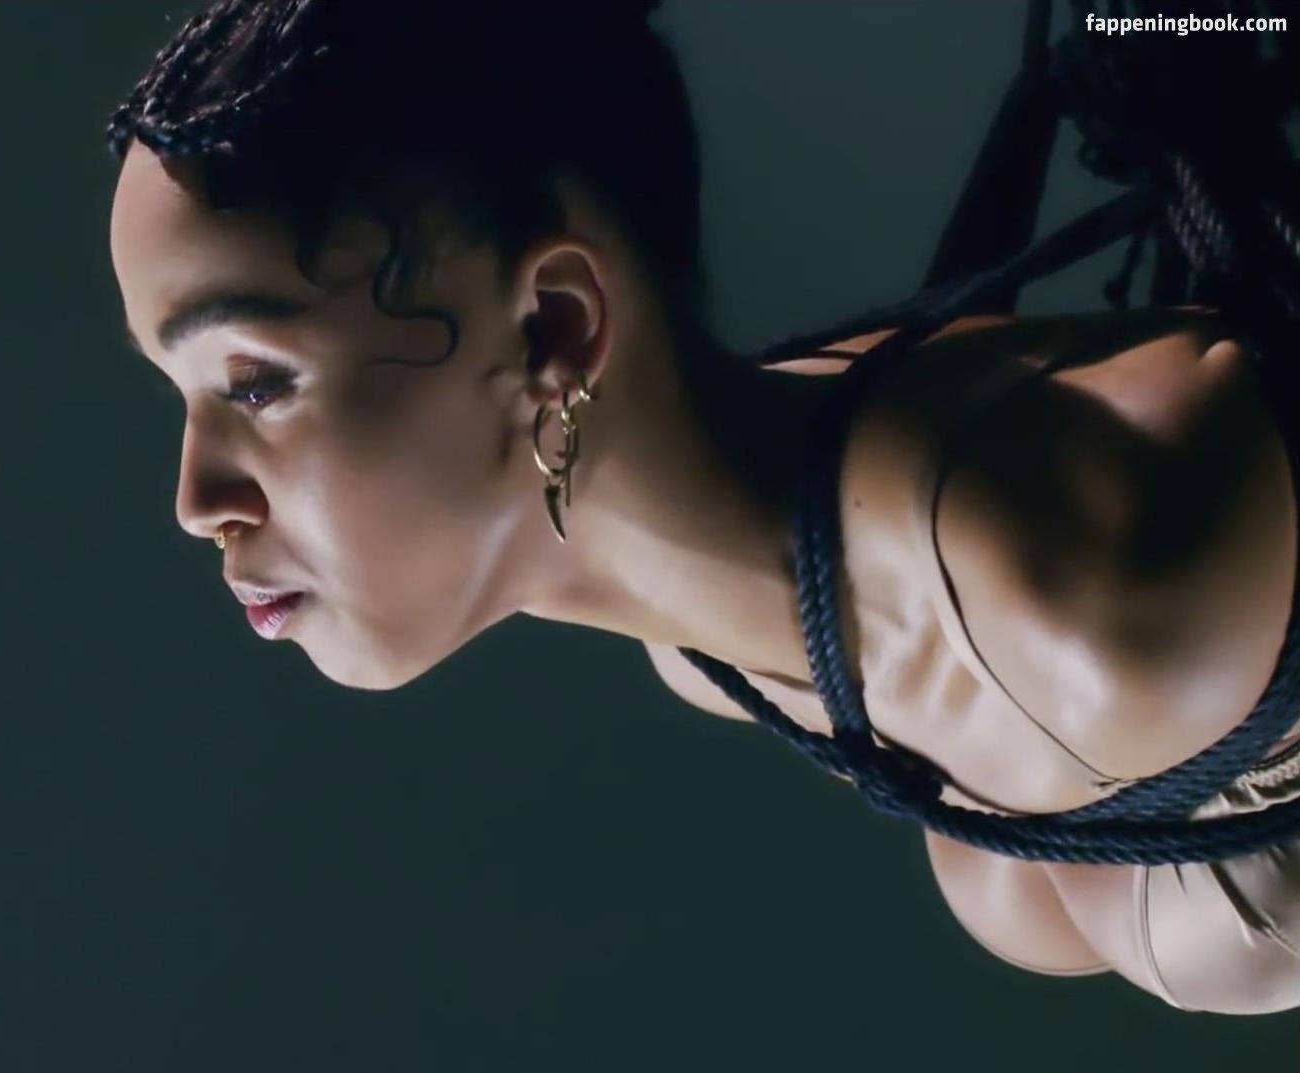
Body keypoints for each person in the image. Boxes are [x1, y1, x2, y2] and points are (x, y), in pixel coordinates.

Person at [104, 0, 1300, 1012]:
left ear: (551, 327)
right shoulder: (713, 652)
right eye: (181, 394)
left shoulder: (1088, 582)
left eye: (254, 382)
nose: (195, 500)